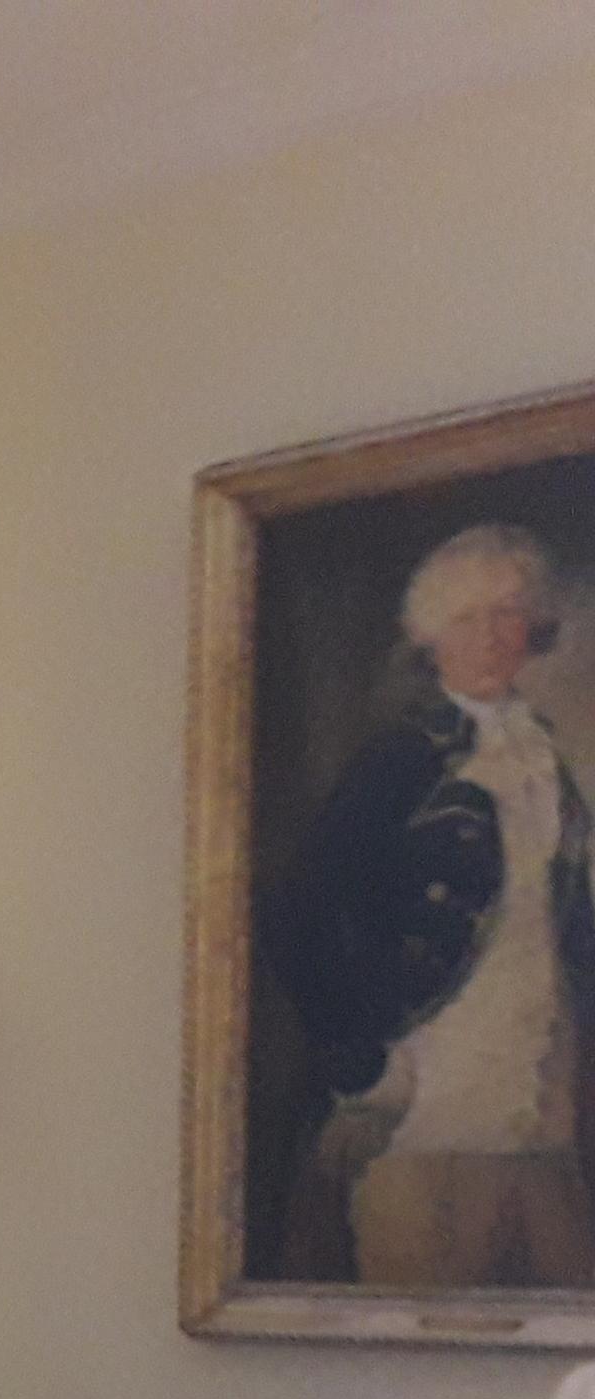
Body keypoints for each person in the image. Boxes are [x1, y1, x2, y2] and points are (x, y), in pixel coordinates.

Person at [266, 521, 595, 1288]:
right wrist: (364, 1063)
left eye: (508, 614)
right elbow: (296, 911)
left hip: (544, 1116)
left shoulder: (546, 755)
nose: (490, 637)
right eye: (467, 620)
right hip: (429, 1116)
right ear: (431, 638)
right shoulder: (400, 758)